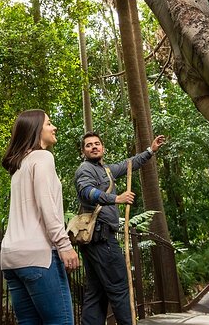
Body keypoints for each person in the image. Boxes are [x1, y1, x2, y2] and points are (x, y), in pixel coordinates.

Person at [74, 131, 165, 325]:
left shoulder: (106, 170)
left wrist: (150, 150)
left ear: (103, 148)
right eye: (89, 145)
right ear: (83, 151)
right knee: (119, 286)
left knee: (96, 292)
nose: (94, 147)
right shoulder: (85, 169)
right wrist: (116, 199)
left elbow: (129, 164)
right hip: (101, 239)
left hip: (98, 241)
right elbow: (86, 192)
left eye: (97, 143)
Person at [0, 109, 80, 324]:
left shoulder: (20, 165)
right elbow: (47, 206)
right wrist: (64, 245)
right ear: (36, 130)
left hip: (11, 259)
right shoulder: (42, 157)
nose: (54, 127)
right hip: (38, 256)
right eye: (49, 123)